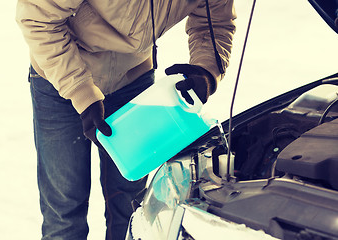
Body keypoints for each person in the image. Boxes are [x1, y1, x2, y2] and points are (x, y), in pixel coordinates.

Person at [16, 0, 236, 239]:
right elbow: (37, 18)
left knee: (130, 207)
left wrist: (206, 69)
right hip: (60, 76)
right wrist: (80, 91)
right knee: (64, 209)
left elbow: (215, 20)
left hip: (133, 80)